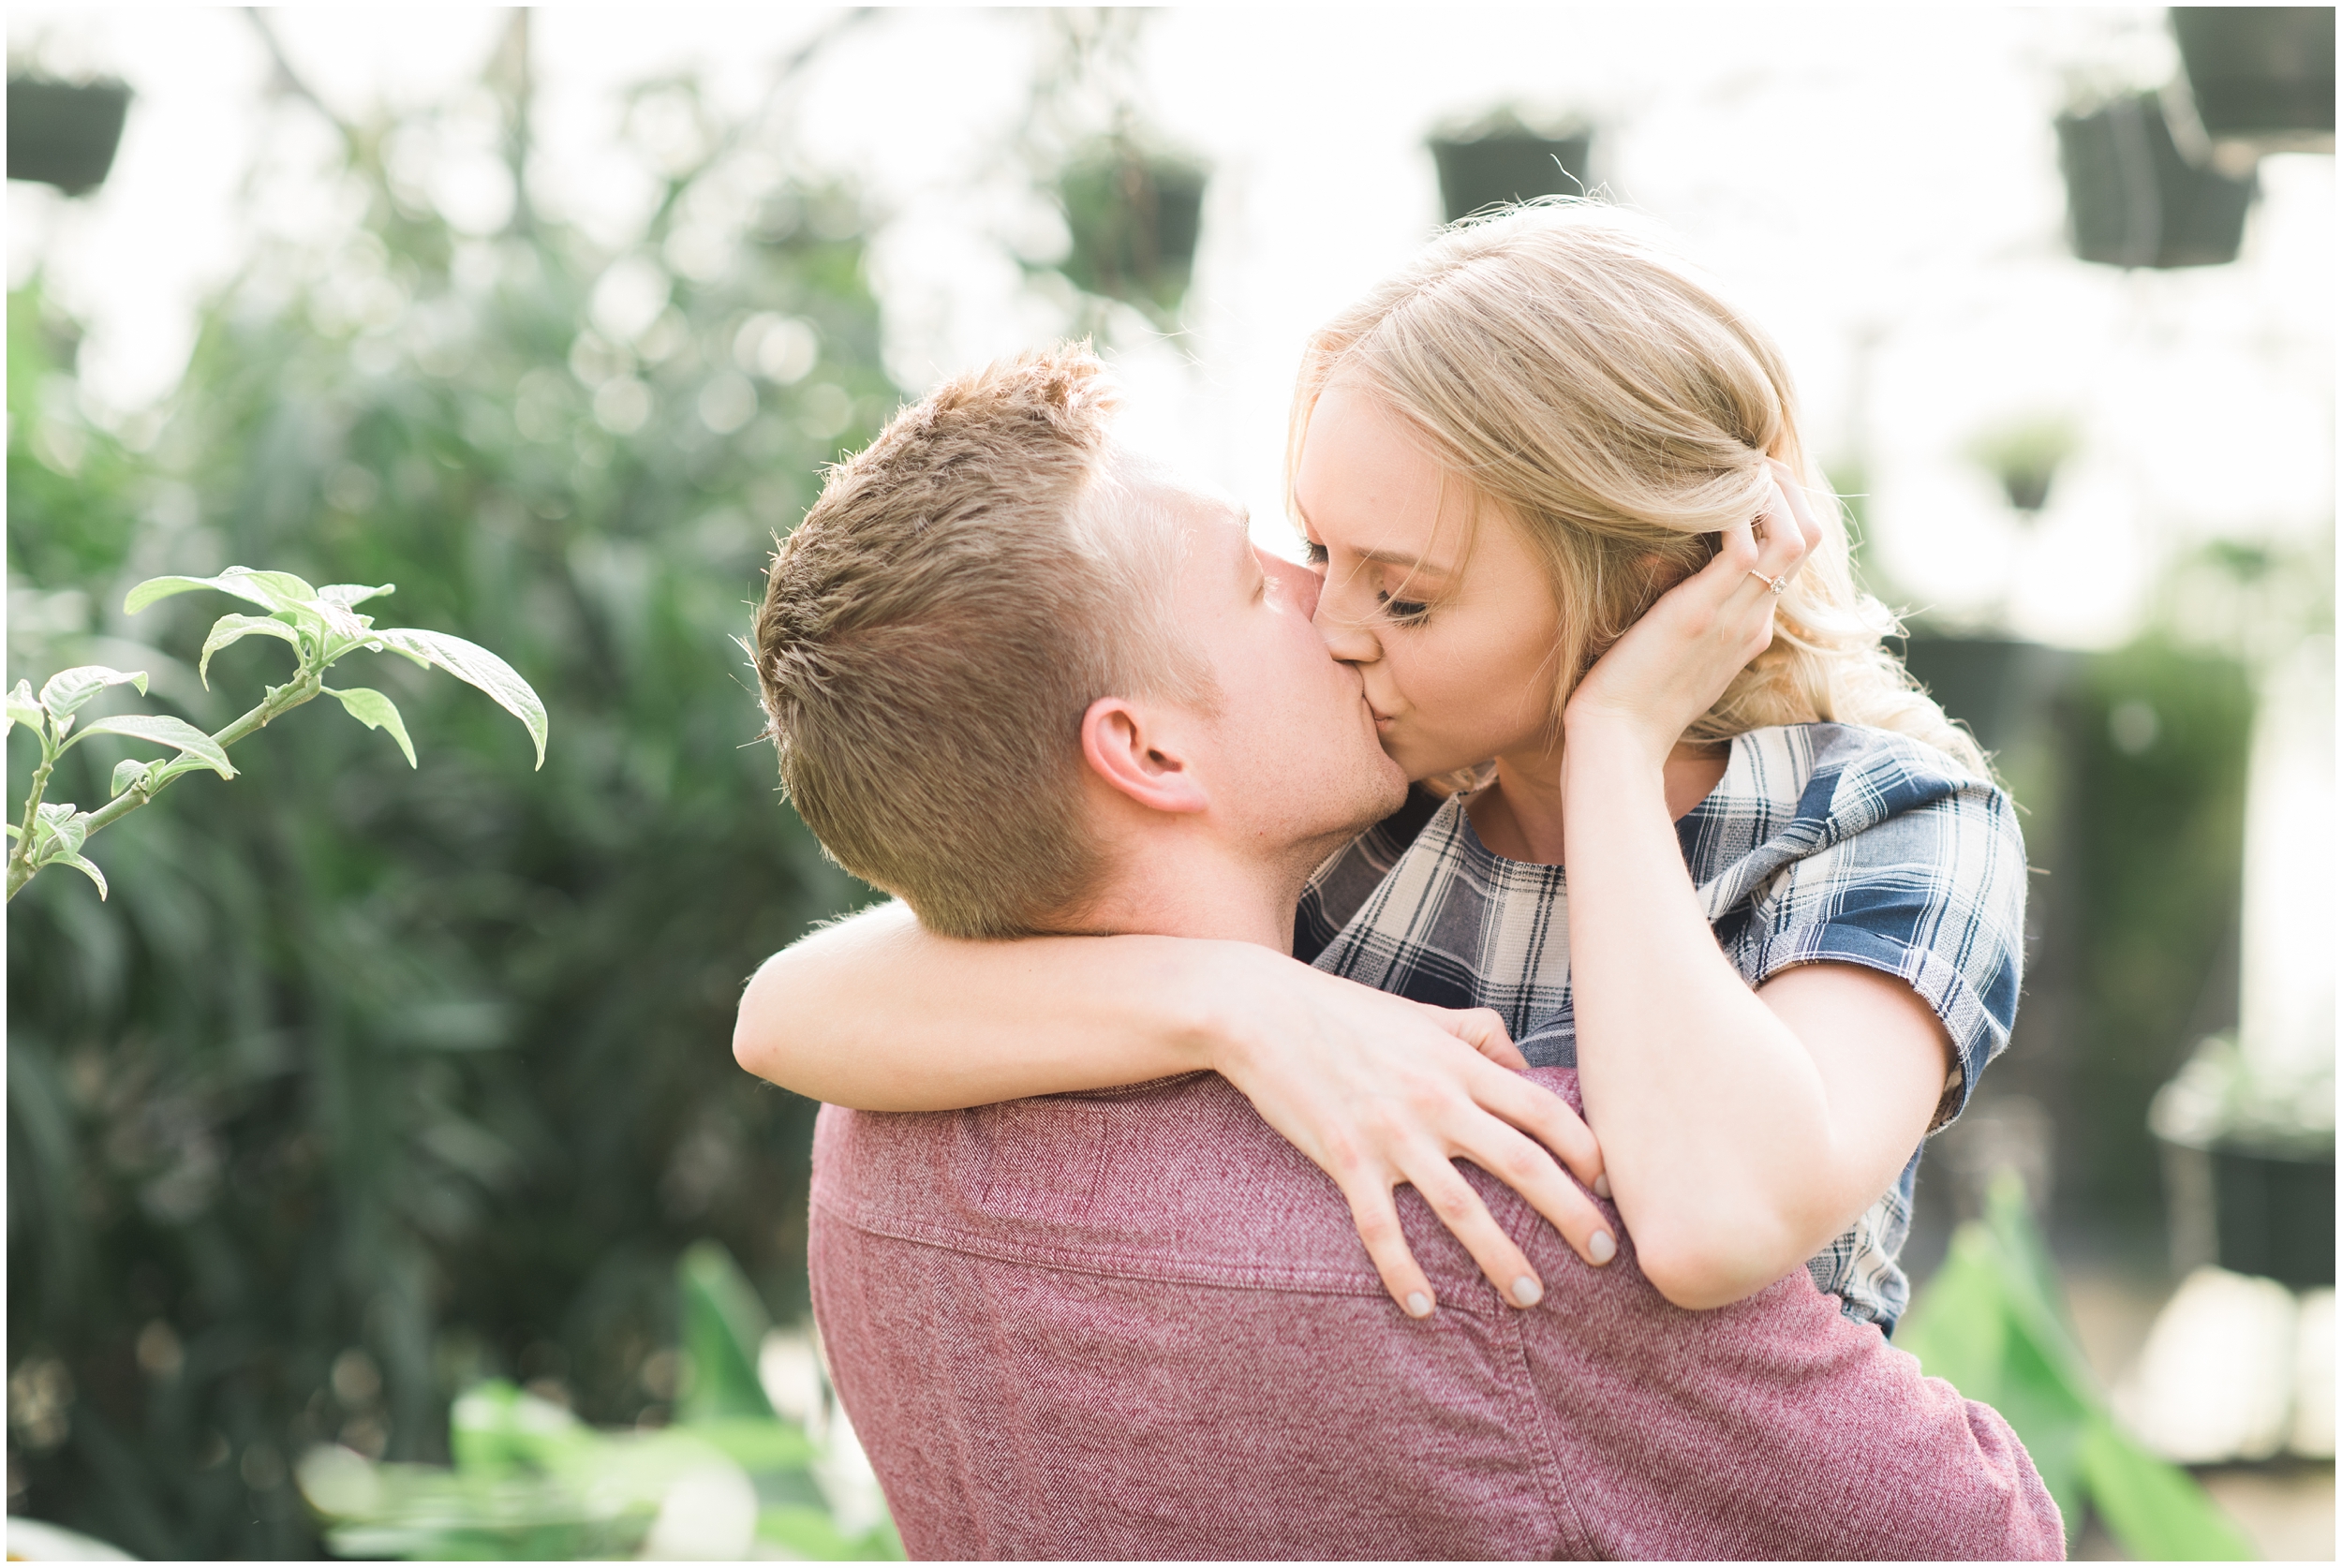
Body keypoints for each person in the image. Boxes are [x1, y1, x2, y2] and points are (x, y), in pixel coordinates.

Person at [749, 345, 2060, 1558]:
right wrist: (1238, 1003)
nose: (1329, 608)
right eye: (1262, 580)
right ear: (1145, 750)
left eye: (1401, 585)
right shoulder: (1495, 1195)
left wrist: (1239, 998)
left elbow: (784, 1007)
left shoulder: (867, 1145)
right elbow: (1973, 1535)